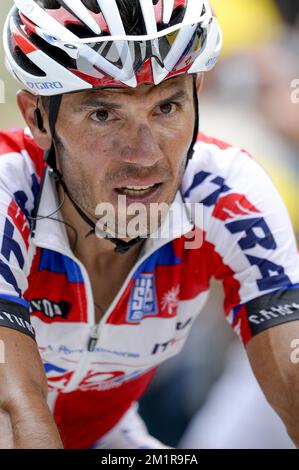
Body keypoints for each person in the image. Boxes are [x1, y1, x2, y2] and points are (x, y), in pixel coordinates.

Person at [0, 0, 299, 449]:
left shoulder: (226, 193)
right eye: (103, 114)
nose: (145, 157)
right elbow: (17, 411)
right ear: (38, 118)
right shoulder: (9, 191)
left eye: (167, 108)